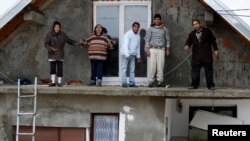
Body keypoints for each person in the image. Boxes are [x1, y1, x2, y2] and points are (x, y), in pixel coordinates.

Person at [45, 21, 83, 87]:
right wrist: (51, 48)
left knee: (60, 69)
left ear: (60, 28)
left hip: (60, 54)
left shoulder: (63, 35)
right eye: (55, 27)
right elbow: (46, 44)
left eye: (58, 27)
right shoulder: (49, 34)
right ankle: (53, 82)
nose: (57, 28)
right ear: (53, 28)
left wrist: (78, 43)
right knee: (52, 69)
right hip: (52, 54)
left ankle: (59, 82)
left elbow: (70, 41)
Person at [184, 19, 219, 90]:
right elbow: (188, 41)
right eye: (194, 24)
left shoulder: (207, 31)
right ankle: (194, 85)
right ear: (193, 26)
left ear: (200, 23)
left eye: (197, 24)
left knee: (209, 71)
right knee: (195, 72)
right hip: (196, 57)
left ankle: (210, 85)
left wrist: (216, 50)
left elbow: (213, 41)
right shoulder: (192, 34)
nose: (195, 25)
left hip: (206, 56)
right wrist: (187, 45)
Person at [145, 14, 170, 87]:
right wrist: (147, 49)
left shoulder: (165, 29)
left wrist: (168, 49)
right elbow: (147, 40)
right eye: (155, 19)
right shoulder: (150, 29)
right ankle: (150, 81)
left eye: (158, 19)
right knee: (152, 66)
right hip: (152, 49)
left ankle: (159, 81)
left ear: (160, 20)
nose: (157, 20)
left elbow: (168, 40)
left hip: (161, 49)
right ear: (154, 20)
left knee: (160, 66)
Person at [120, 22, 141, 87]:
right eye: (135, 26)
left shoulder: (138, 36)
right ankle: (124, 83)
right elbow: (125, 45)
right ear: (132, 27)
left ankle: (132, 83)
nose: (136, 28)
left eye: (138, 27)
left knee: (132, 69)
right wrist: (127, 54)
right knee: (124, 68)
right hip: (125, 53)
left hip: (132, 54)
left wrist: (138, 56)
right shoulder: (128, 34)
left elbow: (138, 47)